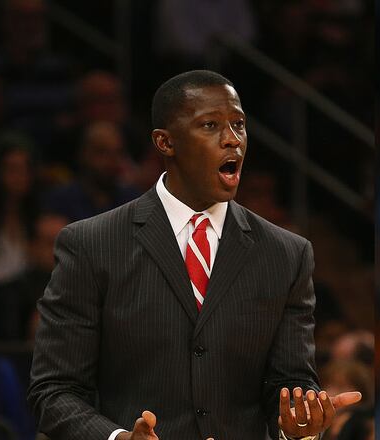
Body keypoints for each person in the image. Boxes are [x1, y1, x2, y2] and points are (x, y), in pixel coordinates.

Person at [28, 70, 360, 440]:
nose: (232, 140)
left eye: (239, 124)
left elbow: (289, 384)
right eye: (211, 125)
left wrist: (297, 425)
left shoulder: (287, 253)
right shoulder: (91, 243)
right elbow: (54, 392)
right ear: (165, 142)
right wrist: (118, 438)